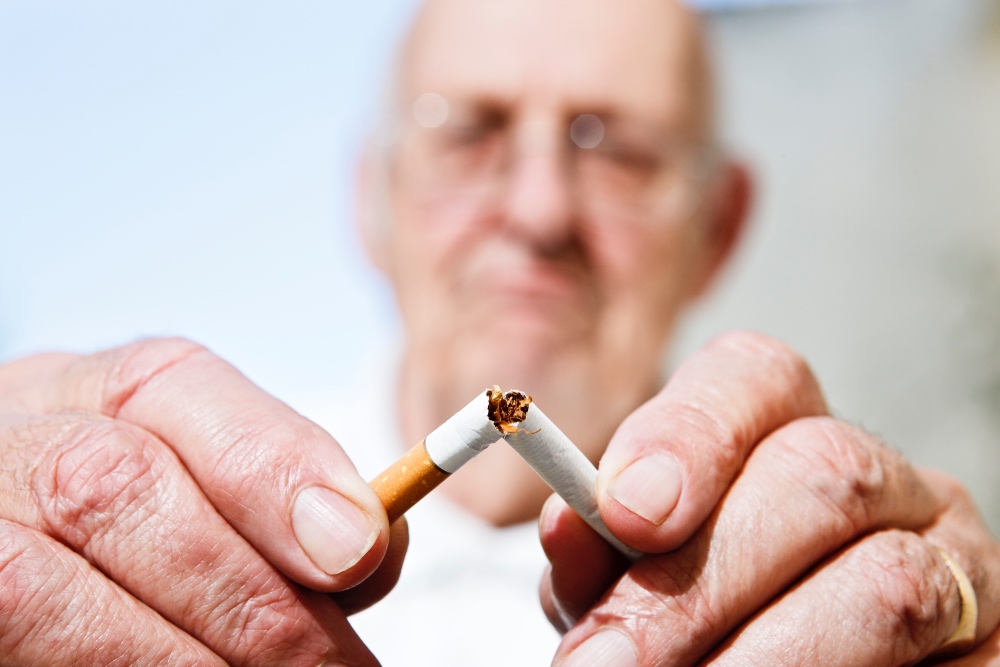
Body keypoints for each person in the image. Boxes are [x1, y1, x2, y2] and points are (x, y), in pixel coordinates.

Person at [0, 2, 997, 667]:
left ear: (719, 226)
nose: (536, 208)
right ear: (373, 201)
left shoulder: (820, 570)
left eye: (615, 146)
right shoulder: (177, 534)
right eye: (468, 130)